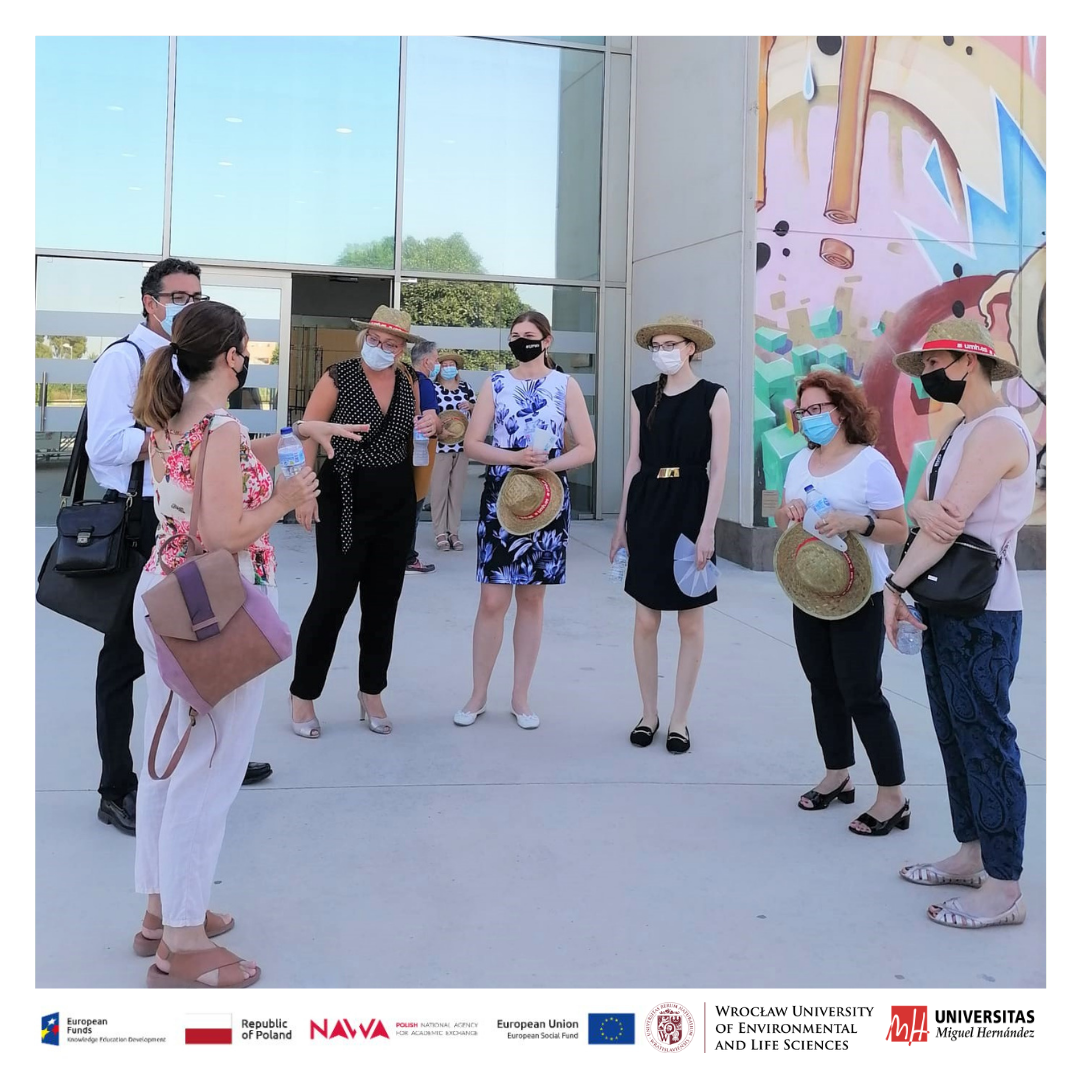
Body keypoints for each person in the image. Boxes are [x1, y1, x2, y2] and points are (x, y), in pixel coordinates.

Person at [130, 300, 362, 987]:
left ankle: (162, 910)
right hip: (216, 610)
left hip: (165, 598)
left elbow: (221, 467)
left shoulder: (175, 419)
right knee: (207, 769)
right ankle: (183, 942)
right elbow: (223, 531)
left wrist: (298, 433)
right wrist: (286, 498)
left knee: (166, 761)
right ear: (232, 355)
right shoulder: (221, 425)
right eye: (248, 345)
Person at [85, 258, 271, 836]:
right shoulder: (126, 360)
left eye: (197, 296)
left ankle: (204, 745)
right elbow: (107, 444)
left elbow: (220, 448)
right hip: (148, 514)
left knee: (194, 650)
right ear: (151, 302)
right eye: (179, 296)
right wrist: (181, 442)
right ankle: (118, 784)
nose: (188, 304)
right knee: (128, 654)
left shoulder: (188, 365)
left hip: (185, 510)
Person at [885, 318, 1036, 929]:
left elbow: (944, 521)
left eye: (933, 364)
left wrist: (894, 584)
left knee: (987, 741)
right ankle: (971, 853)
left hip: (985, 611)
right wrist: (928, 512)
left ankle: (1004, 887)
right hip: (946, 602)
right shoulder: (959, 431)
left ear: (968, 362)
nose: (926, 376)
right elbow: (919, 508)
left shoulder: (998, 429)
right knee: (954, 734)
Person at [774, 370, 911, 834]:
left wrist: (856, 522)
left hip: (861, 596)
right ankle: (838, 775)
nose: (809, 417)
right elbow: (783, 521)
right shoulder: (799, 462)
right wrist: (788, 513)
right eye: (803, 410)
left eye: (817, 409)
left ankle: (893, 797)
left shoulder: (871, 465)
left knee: (862, 692)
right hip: (810, 591)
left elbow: (898, 528)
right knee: (822, 684)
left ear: (842, 411)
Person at [289, 306, 436, 737]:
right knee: (331, 599)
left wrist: (435, 423)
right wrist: (304, 492)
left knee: (383, 601)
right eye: (374, 340)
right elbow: (307, 432)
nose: (380, 348)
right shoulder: (339, 376)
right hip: (344, 495)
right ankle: (303, 694)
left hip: (395, 498)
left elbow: (426, 430)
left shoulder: (410, 381)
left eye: (390, 344)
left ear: (402, 349)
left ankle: (371, 691)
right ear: (364, 338)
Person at [454, 311, 595, 729]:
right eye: (515, 335)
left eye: (529, 335)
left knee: (532, 600)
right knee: (492, 600)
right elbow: (472, 443)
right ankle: (478, 693)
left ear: (546, 340)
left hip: (547, 499)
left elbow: (586, 448)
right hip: (503, 497)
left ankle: (520, 695)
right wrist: (514, 458)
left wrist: (548, 466)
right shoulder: (495, 383)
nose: (521, 341)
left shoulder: (565, 386)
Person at [610, 315, 730, 754]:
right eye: (656, 346)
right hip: (648, 507)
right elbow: (634, 462)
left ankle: (679, 719)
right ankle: (649, 713)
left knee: (690, 620)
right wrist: (621, 524)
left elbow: (719, 468)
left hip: (691, 506)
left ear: (690, 347)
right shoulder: (642, 397)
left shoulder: (714, 396)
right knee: (645, 618)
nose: (662, 352)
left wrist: (708, 529)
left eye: (670, 344)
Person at [430, 352, 476, 551]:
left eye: (451, 364)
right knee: (439, 490)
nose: (448, 367)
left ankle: (454, 532)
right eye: (445, 364)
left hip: (462, 445)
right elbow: (427, 413)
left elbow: (478, 411)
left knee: (456, 491)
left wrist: (471, 406)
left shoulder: (466, 387)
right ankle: (440, 532)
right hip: (441, 446)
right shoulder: (433, 389)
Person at [404, 339, 443, 574]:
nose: (438, 364)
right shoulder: (424, 383)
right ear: (427, 361)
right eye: (437, 360)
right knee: (414, 505)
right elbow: (430, 421)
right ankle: (408, 558)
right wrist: (442, 427)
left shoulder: (400, 380)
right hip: (417, 452)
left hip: (396, 453)